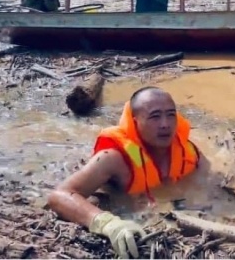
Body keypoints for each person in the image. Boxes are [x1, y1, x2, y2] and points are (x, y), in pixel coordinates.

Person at [48, 86, 203, 259]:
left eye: (171, 114)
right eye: (155, 116)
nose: (165, 124)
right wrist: (107, 223)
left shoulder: (188, 151)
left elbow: (214, 182)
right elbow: (59, 195)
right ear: (135, 121)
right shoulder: (113, 159)